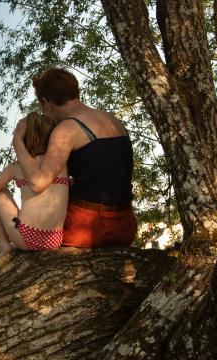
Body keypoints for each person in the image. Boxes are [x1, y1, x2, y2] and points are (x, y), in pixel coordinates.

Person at [13, 67, 136, 248]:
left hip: (86, 228)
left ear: (46, 103)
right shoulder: (112, 120)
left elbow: (38, 183)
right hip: (125, 225)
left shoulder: (66, 130)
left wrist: (18, 141)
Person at [0, 112, 69, 257]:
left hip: (28, 237)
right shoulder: (61, 163)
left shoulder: (17, 167)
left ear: (24, 140)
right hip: (55, 239)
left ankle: (4, 245)